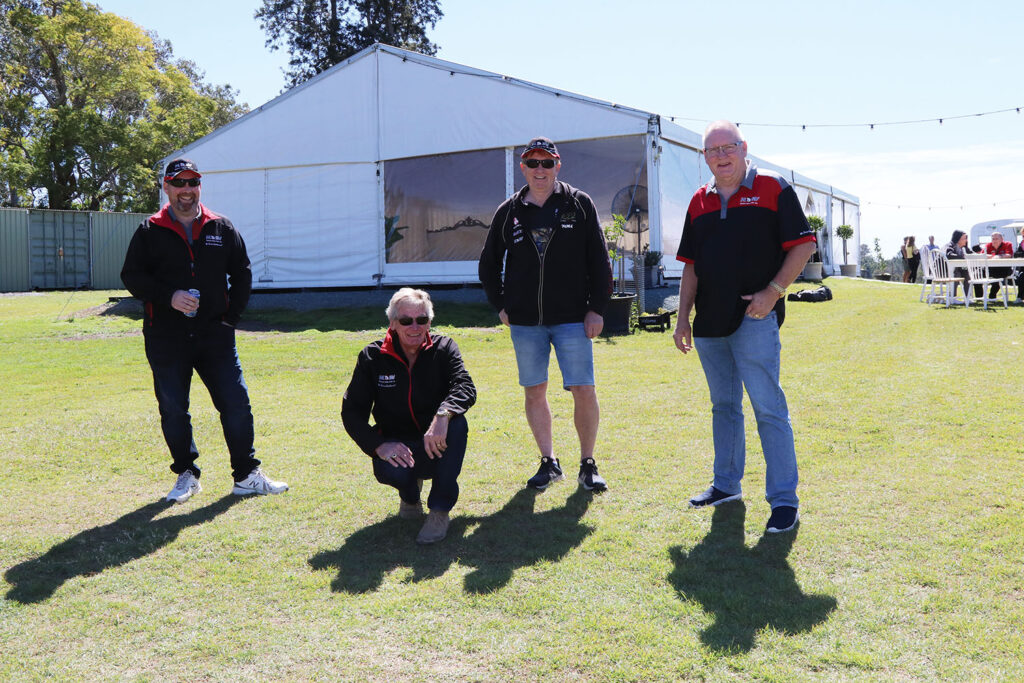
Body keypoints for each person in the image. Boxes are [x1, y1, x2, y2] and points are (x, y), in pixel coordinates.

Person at [672, 121, 817, 534]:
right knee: (724, 408)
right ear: (705, 158)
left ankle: (785, 502)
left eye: (728, 147)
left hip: (755, 320)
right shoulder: (698, 202)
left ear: (743, 148)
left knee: (768, 409)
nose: (721, 156)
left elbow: (804, 244)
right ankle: (726, 485)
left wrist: (772, 292)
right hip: (709, 325)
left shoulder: (773, 188)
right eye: (712, 150)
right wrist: (682, 318)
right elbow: (691, 267)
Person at [121, 158, 288, 503]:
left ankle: (246, 474)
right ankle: (187, 474)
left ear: (200, 186)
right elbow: (132, 277)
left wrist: (230, 320)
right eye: (179, 183)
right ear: (166, 188)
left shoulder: (221, 227)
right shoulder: (149, 230)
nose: (187, 190)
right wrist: (169, 296)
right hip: (166, 336)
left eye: (193, 182)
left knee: (236, 403)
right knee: (173, 408)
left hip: (215, 335)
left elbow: (242, 274)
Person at [478, 136, 612, 493]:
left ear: (558, 165)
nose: (540, 170)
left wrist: (597, 309)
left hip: (573, 318)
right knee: (535, 391)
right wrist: (501, 305)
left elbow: (600, 261)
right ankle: (548, 461)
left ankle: (587, 464)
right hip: (525, 323)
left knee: (583, 389)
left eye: (547, 163)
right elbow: (488, 264)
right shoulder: (508, 211)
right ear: (522, 167)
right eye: (533, 163)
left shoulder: (579, 204)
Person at [341, 288, 476, 544]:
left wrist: (443, 414)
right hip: (398, 447)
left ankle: (439, 511)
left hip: (436, 443)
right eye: (406, 320)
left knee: (458, 422)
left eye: (421, 320)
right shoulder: (372, 357)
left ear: (430, 321)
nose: (415, 327)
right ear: (393, 323)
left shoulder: (444, 348)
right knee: (393, 472)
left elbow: (465, 386)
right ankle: (410, 497)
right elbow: (352, 411)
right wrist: (379, 445)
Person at [983, 231, 1013, 299]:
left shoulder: (1008, 244)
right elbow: (982, 255)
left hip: (1005, 268)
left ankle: (992, 296)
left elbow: (1009, 255)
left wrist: (998, 256)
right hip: (991, 268)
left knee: (997, 277)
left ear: (1002, 239)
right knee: (977, 274)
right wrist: (991, 256)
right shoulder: (988, 245)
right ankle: (979, 298)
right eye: (993, 239)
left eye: (996, 239)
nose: (994, 240)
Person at [944, 230, 970, 297]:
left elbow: (972, 254)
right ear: (958, 239)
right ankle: (953, 296)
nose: (966, 240)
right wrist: (962, 257)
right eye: (964, 238)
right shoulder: (950, 245)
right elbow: (949, 255)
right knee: (956, 274)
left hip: (955, 270)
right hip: (944, 271)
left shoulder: (963, 248)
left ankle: (967, 297)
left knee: (967, 273)